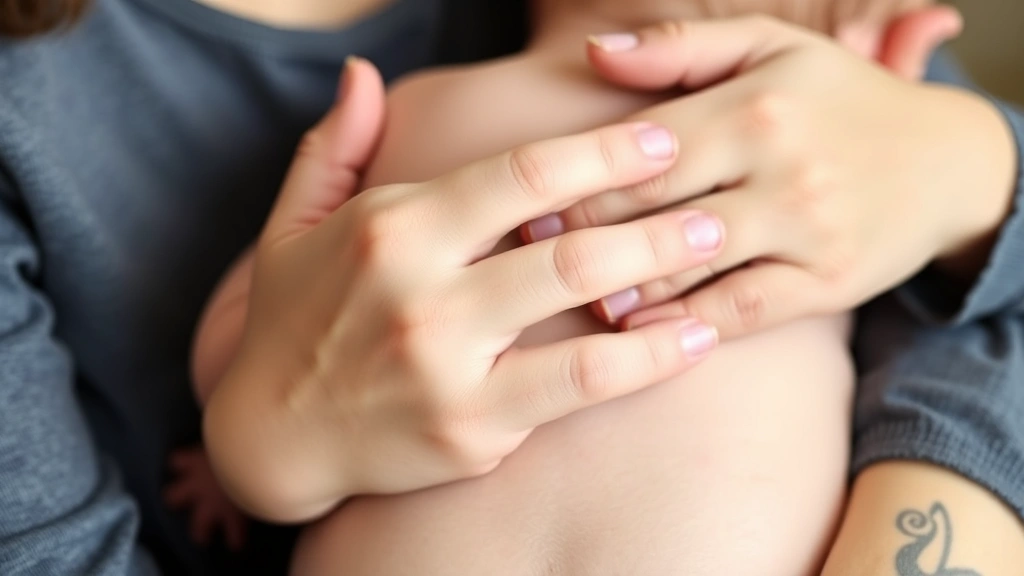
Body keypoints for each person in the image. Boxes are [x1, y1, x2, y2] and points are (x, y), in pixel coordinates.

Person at [0, 1, 1021, 575]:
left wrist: (952, 148)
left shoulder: (807, 121)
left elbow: (984, 293)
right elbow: (277, 304)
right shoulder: (408, 104)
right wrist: (246, 443)